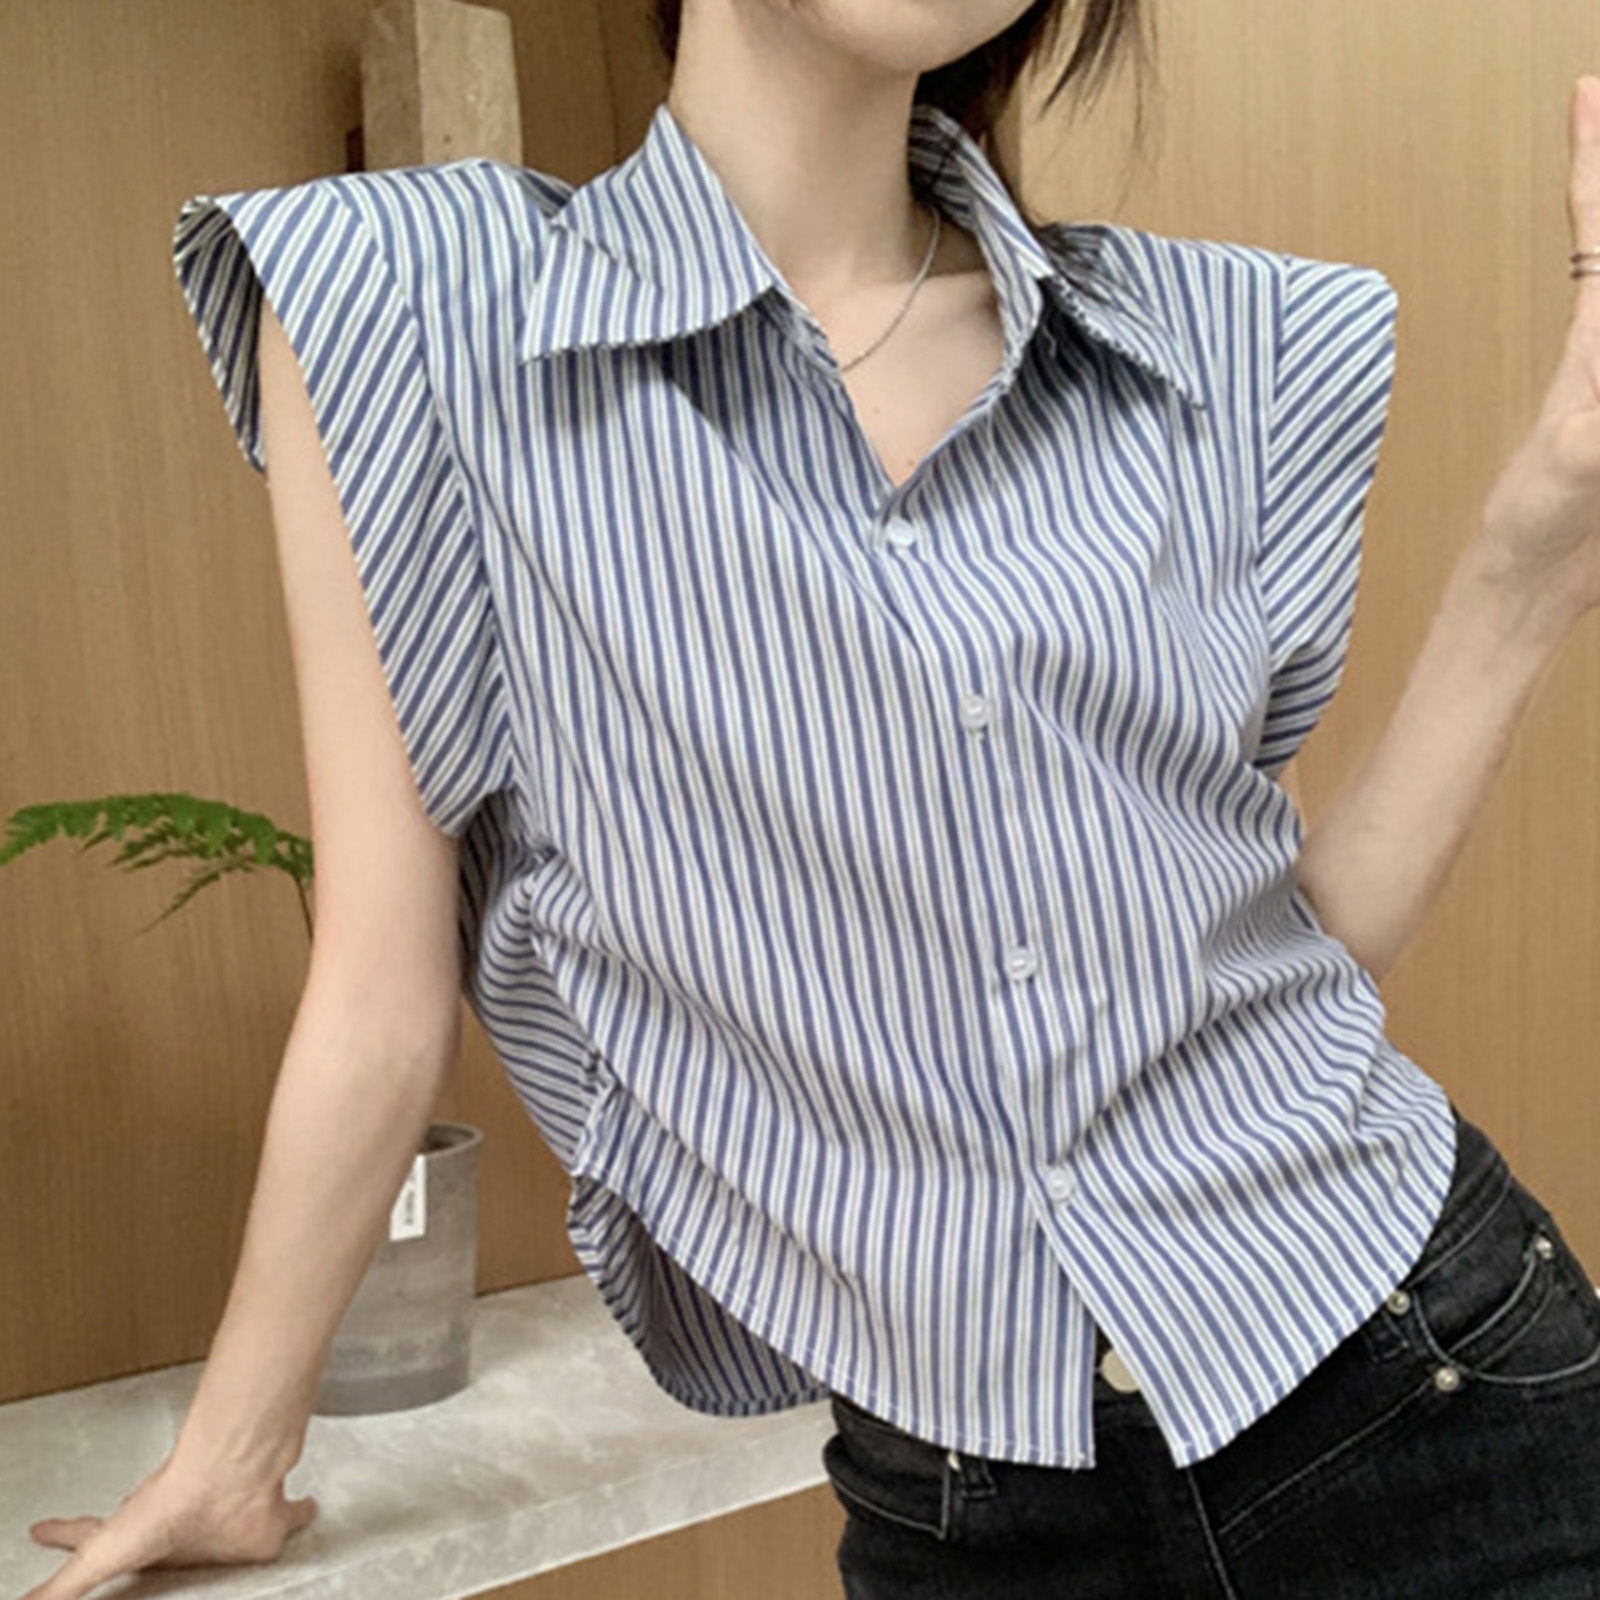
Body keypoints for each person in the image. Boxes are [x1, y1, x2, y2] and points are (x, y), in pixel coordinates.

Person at [24, 1, 1600, 1595]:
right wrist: (233, 1455)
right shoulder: (414, 309)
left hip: (1434, 1379)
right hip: (971, 1515)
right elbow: (380, 986)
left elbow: (1274, 952)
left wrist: (1539, 540)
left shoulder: (1211, 347)